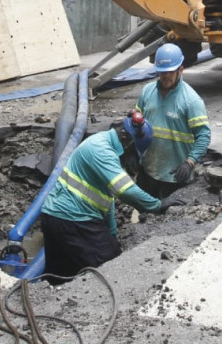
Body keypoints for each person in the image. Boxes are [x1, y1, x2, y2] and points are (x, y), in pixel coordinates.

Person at [40, 114, 183, 283]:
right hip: (73, 219)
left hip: (55, 217)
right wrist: (158, 205)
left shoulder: (102, 143)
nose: (131, 160)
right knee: (112, 269)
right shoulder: (101, 150)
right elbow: (126, 191)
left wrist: (113, 233)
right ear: (126, 139)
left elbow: (108, 201)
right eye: (133, 153)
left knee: (62, 276)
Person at [134, 43, 211, 198]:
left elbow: (204, 136)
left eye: (170, 72)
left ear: (180, 70)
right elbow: (137, 121)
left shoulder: (191, 100)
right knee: (144, 214)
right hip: (148, 169)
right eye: (162, 72)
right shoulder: (147, 92)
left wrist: (190, 162)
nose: (165, 76)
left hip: (174, 175)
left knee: (167, 218)